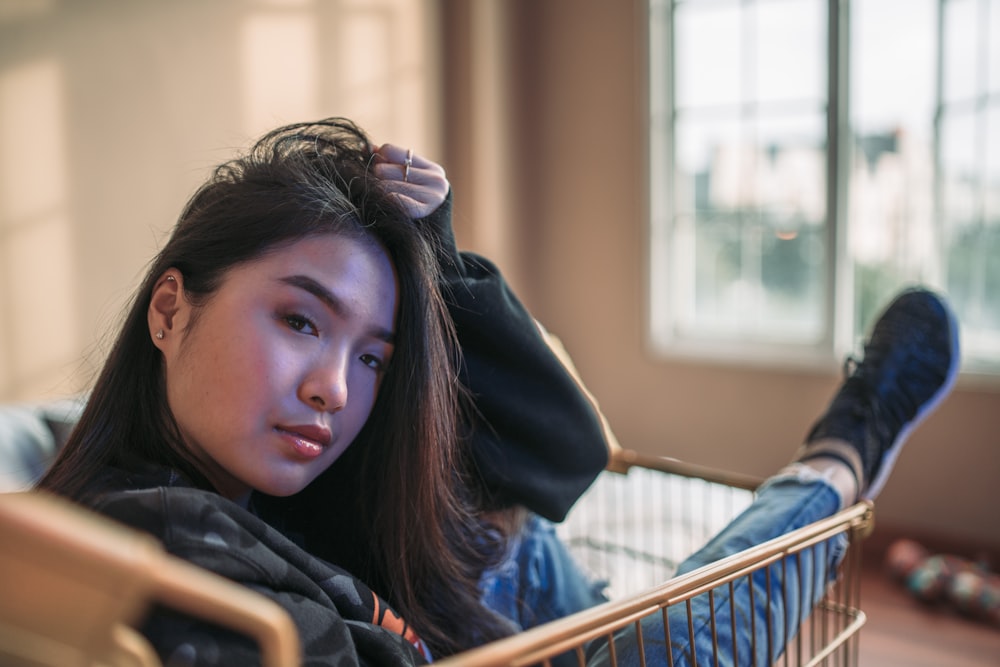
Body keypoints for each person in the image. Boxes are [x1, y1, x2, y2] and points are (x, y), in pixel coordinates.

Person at [37, 115, 960, 667]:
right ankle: (839, 456)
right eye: (301, 321)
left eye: (373, 358)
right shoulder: (154, 539)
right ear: (169, 310)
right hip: (492, 614)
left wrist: (439, 259)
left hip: (494, 572)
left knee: (630, 606)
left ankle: (837, 451)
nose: (332, 389)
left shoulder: (299, 485)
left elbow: (565, 459)